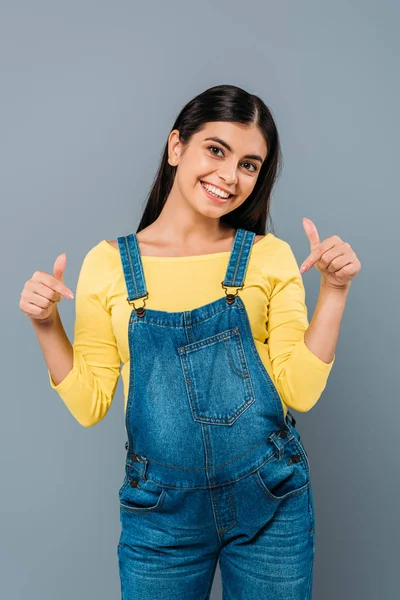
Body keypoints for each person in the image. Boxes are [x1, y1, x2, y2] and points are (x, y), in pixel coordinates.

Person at [19, 84, 360, 599]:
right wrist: (46, 324)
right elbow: (90, 404)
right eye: (216, 150)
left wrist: (334, 292)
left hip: (270, 498)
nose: (229, 176)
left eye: (250, 164)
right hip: (160, 514)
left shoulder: (268, 257)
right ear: (177, 146)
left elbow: (300, 391)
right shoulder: (109, 264)